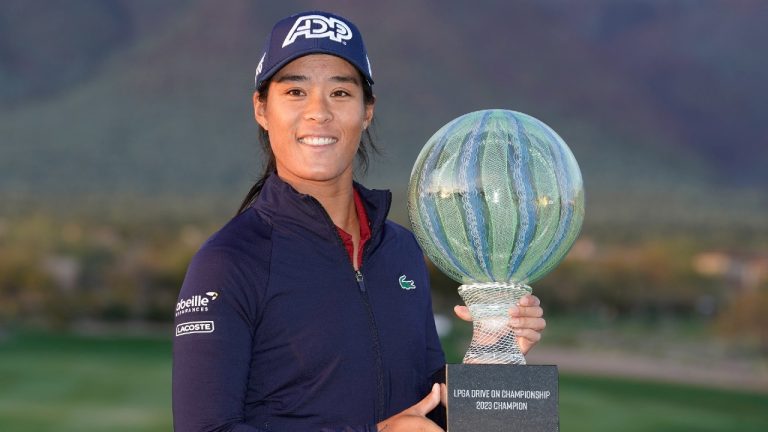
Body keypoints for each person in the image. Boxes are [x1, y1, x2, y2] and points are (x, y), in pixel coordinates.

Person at [172, 10, 546, 432]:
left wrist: (495, 351)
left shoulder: (401, 250)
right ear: (262, 109)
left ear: (367, 111)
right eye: (295, 92)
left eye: (341, 93)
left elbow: (429, 413)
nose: (319, 112)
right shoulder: (230, 261)